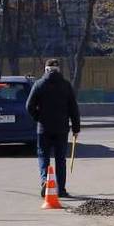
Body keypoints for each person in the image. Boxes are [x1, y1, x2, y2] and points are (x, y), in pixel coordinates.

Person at [26, 58, 81, 198]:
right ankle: (61, 190)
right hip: (61, 129)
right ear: (59, 70)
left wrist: (38, 117)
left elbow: (29, 106)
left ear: (46, 69)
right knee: (60, 159)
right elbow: (73, 108)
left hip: (43, 128)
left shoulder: (39, 85)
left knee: (43, 156)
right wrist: (76, 128)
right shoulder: (66, 85)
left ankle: (45, 181)